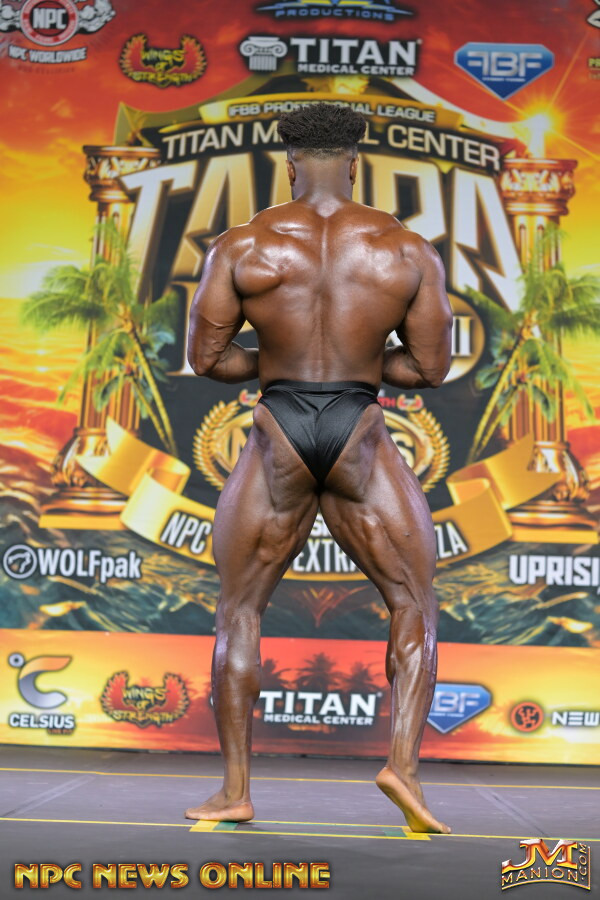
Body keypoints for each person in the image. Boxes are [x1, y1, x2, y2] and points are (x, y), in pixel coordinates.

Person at [185, 103, 453, 834]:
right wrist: (358, 364)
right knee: (413, 604)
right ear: (356, 163)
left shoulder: (242, 245)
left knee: (239, 611)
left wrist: (280, 362)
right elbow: (429, 369)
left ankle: (234, 791)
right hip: (358, 426)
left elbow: (207, 359)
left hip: (278, 428)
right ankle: (403, 770)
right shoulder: (406, 250)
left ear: (290, 164)